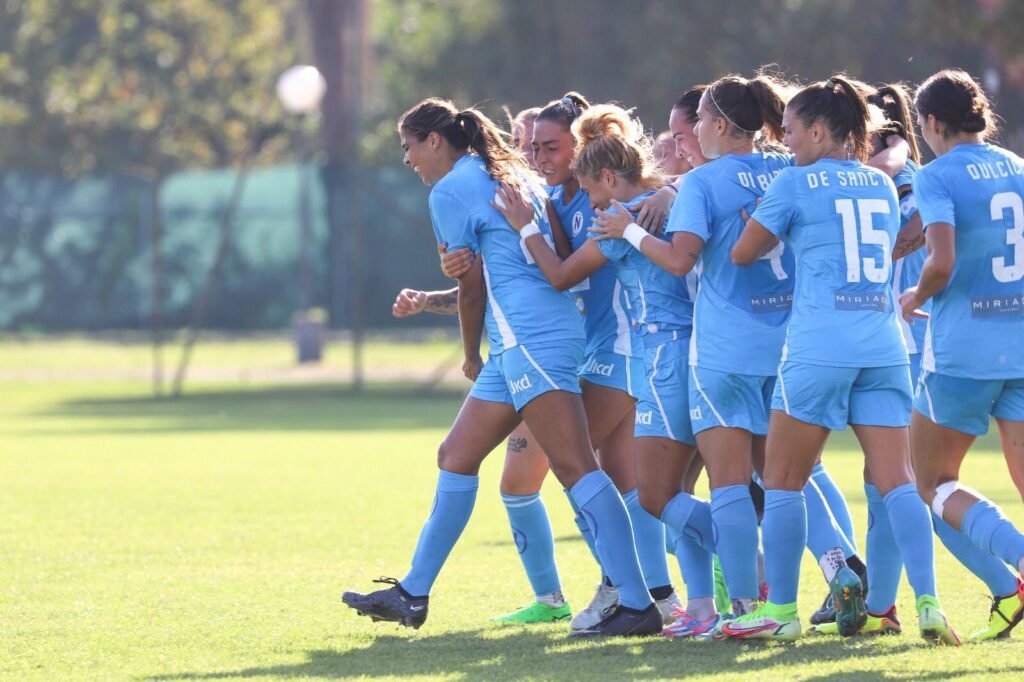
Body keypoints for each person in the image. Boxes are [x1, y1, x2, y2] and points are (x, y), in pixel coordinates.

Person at [342, 97, 662, 639]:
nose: (407, 160)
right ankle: (413, 592)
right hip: (531, 337)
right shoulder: (513, 174)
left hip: (529, 339)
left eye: (408, 147)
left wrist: (470, 353)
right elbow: (546, 245)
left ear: (434, 141)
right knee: (456, 455)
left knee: (577, 468)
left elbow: (472, 287)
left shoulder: (450, 190)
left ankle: (638, 601)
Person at [594, 73, 865, 630]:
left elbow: (680, 260)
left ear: (718, 123)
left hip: (724, 350)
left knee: (730, 484)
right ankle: (839, 564)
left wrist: (628, 230)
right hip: (784, 345)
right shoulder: (788, 167)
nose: (692, 131)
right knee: (786, 476)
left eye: (697, 121)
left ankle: (743, 609)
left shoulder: (702, 183)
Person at [723, 75, 958, 644]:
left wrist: (768, 221)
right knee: (899, 481)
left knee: (782, 479)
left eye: (791, 131)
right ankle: (929, 603)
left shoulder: (793, 182)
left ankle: (781, 611)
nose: (786, 143)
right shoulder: (879, 183)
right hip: (883, 344)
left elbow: (743, 253)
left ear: (819, 131)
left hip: (818, 345)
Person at [492, 102, 718, 639]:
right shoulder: (592, 202)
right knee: (630, 481)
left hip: (633, 351)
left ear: (601, 171)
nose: (538, 156)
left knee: (579, 468)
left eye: (550, 147)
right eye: (531, 146)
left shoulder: (623, 212)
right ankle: (668, 595)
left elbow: (561, 274)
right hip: (639, 350)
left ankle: (626, 585)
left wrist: (525, 227)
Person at [898, 68, 1024, 641]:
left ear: (931, 122)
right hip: (1020, 347)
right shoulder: (1017, 166)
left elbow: (941, 261)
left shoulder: (937, 175)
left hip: (964, 354)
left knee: (932, 482)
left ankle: (1017, 563)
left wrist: (915, 296)